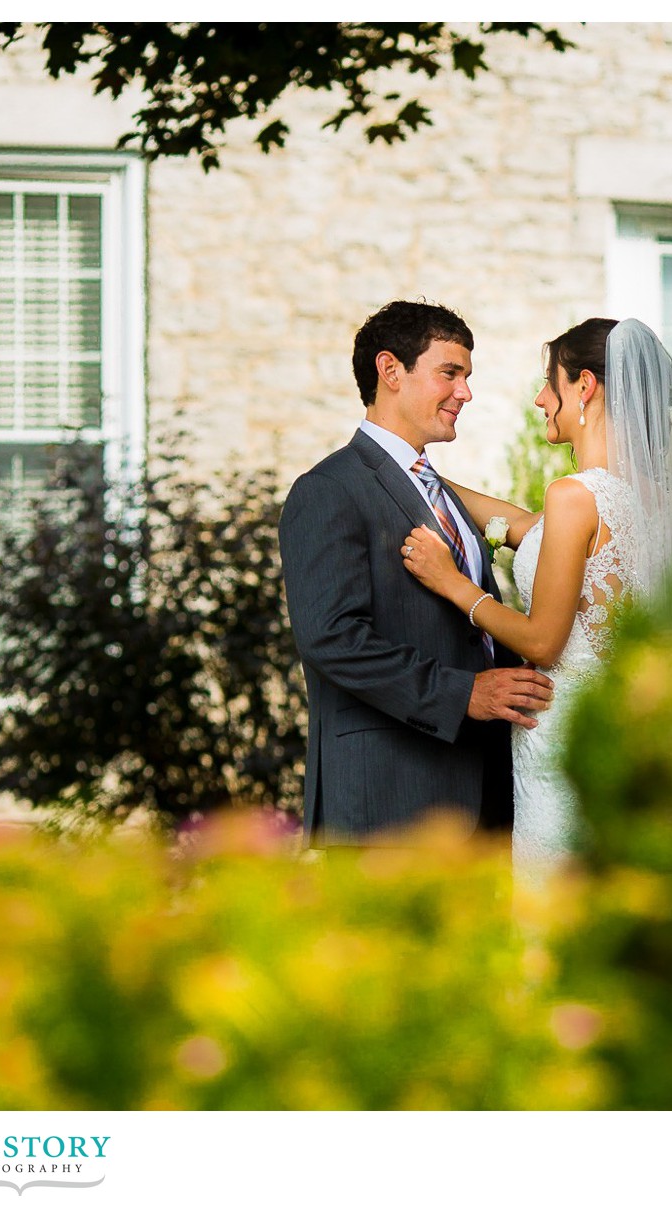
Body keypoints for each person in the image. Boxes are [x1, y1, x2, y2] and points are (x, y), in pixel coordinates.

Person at [401, 317, 672, 879]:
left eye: (550, 383)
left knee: (552, 900)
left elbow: (544, 640)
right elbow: (521, 527)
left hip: (559, 736)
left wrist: (452, 583)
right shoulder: (652, 502)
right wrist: (419, 473)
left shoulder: (574, 496)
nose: (541, 399)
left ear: (583, 386)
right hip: (621, 731)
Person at [279, 300, 555, 847]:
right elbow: (332, 639)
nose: (465, 393)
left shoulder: (443, 494)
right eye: (450, 373)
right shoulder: (329, 489)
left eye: (467, 377)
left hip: (484, 791)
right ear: (391, 371)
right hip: (390, 796)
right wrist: (463, 695)